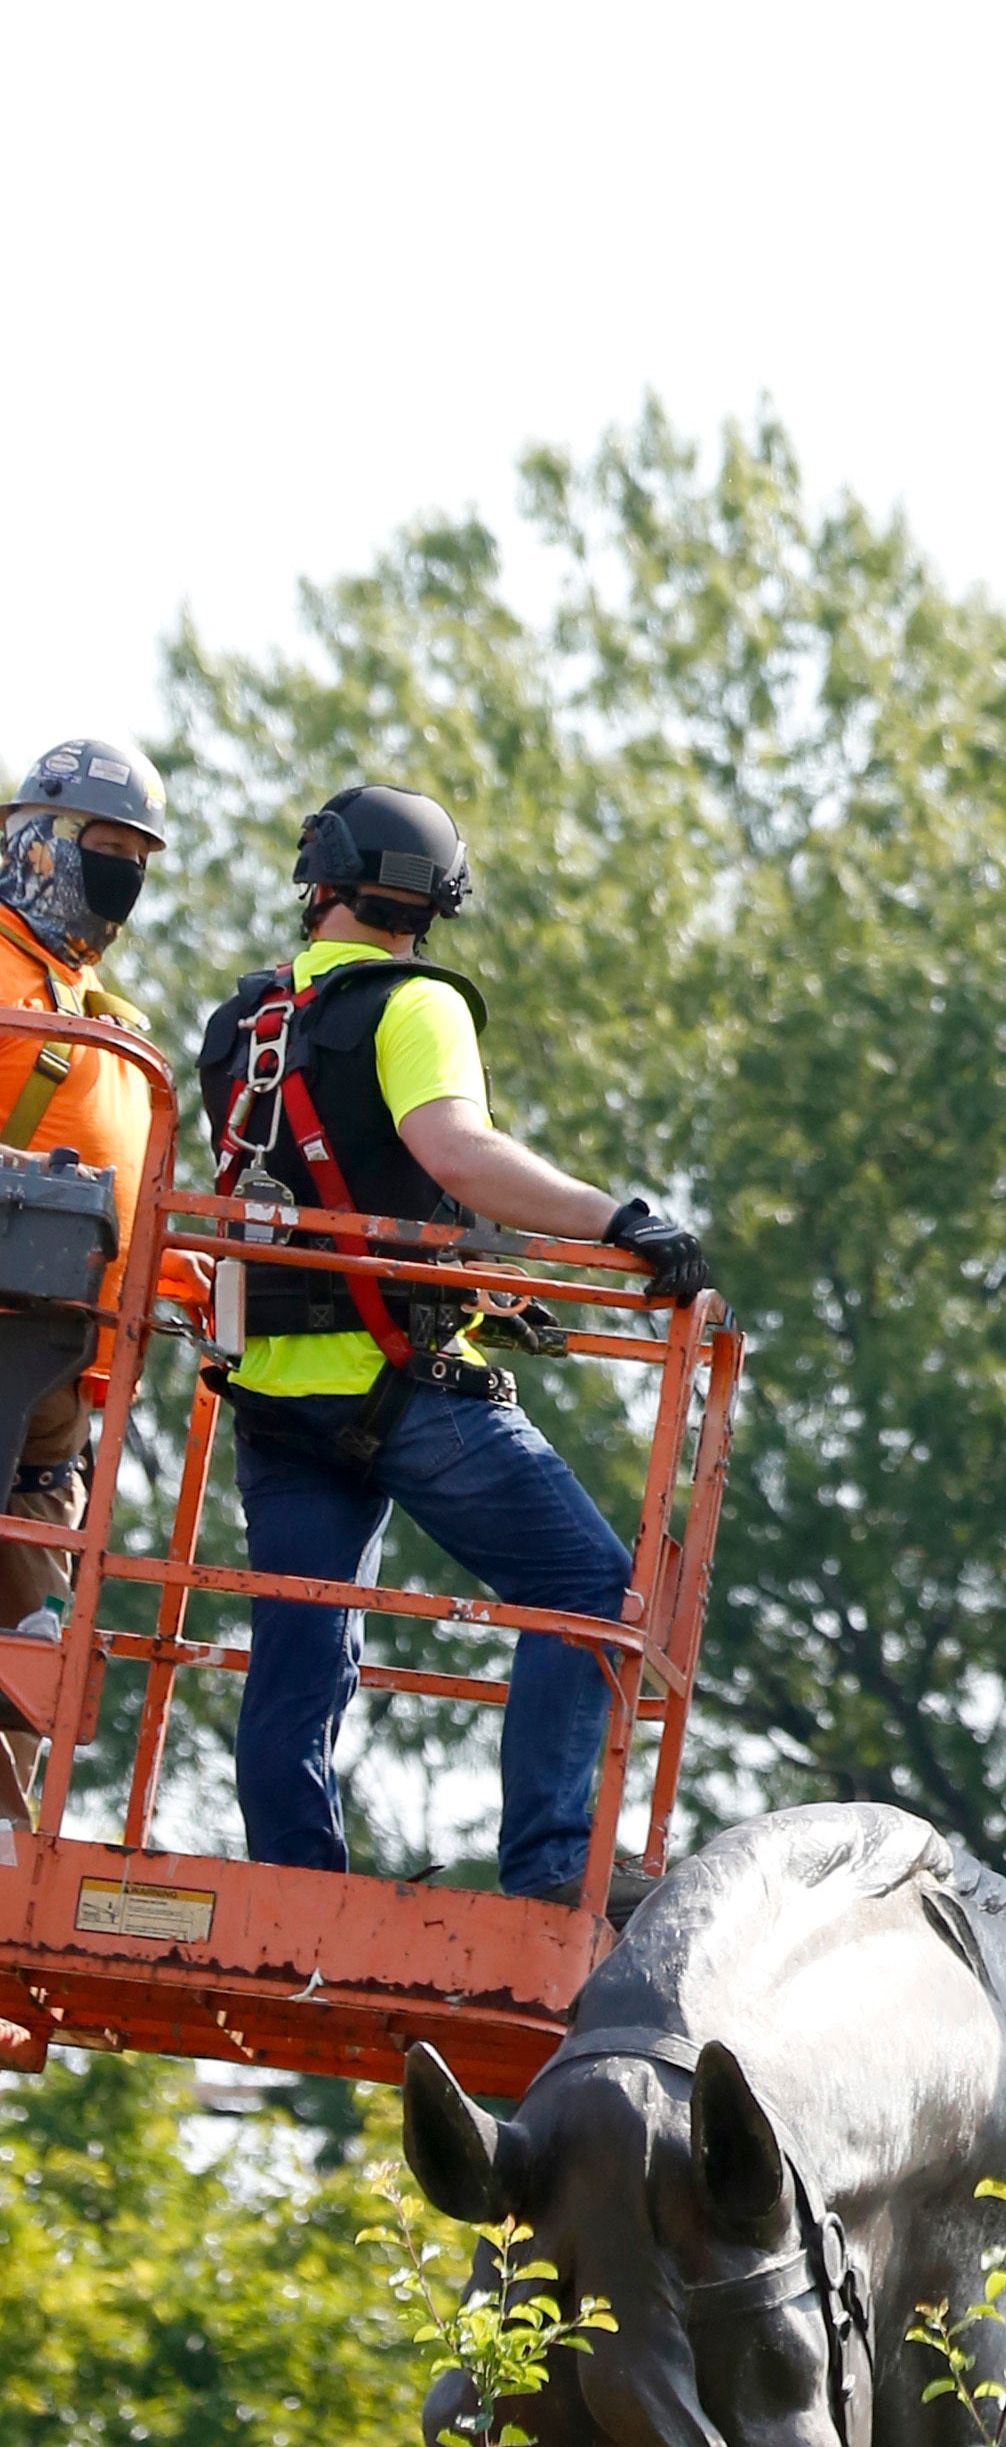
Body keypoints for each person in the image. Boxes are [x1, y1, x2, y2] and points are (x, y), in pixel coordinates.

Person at [196, 783, 711, 1905]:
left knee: (301, 1645)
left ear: (318, 882)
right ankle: (548, 1862)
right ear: (434, 903)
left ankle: (291, 1888)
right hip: (407, 1385)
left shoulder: (239, 1029)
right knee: (589, 1592)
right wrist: (618, 1218)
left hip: (276, 1395)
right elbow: (454, 1152)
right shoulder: (415, 1004)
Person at [0, 734, 187, 1819]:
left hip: (63, 1368)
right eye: (101, 845)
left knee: (33, 1647)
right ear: (32, 840)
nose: (121, 872)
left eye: (138, 855)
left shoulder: (93, 1008)